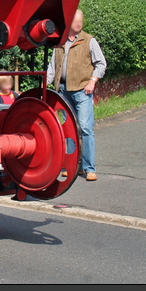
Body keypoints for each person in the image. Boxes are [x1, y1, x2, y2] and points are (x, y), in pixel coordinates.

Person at [47, 9, 106, 181]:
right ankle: (72, 166)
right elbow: (52, 68)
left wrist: (93, 81)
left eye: (80, 21)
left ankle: (89, 168)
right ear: (69, 24)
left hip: (82, 89)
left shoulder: (89, 40)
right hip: (63, 91)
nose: (79, 24)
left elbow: (101, 63)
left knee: (85, 128)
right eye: (75, 21)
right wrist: (45, 84)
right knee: (68, 129)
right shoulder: (60, 42)